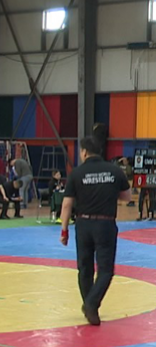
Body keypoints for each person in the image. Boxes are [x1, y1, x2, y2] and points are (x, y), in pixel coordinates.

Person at [60, 137, 132, 326]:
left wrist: (64, 230)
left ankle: (89, 305)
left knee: (84, 268)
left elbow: (67, 204)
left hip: (83, 224)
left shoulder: (77, 173)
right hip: (105, 224)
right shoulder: (114, 171)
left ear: (84, 152)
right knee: (105, 270)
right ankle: (91, 305)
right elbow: (127, 197)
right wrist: (108, 192)